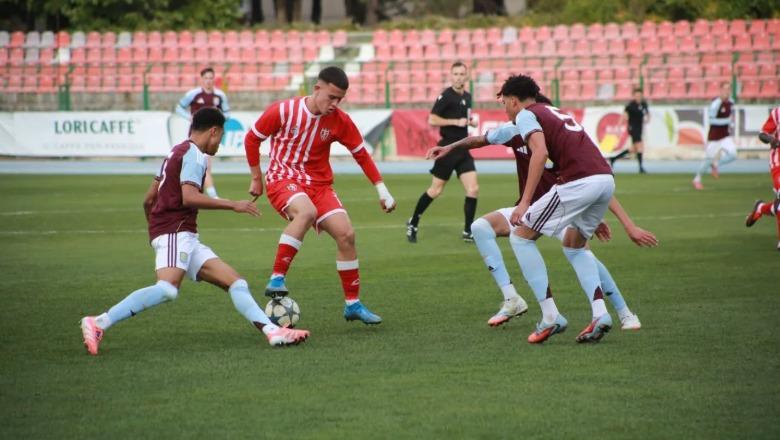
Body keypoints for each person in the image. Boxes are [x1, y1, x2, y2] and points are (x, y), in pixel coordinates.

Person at [79, 108, 309, 355]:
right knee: (167, 289)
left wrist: (155, 233)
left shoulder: (175, 151)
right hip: (176, 232)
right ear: (214, 131)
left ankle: (273, 332)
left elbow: (148, 199)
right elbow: (189, 197)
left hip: (181, 234)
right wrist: (233, 204)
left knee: (236, 283)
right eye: (220, 138)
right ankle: (98, 322)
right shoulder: (196, 154)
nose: (219, 145)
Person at [429, 75, 618, 344]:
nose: (504, 108)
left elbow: (539, 153)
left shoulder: (527, 116)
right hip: (605, 180)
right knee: (576, 247)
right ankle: (602, 314)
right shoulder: (555, 112)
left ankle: (551, 316)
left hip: (576, 184)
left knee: (520, 236)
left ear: (514, 101)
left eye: (505, 102)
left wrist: (525, 202)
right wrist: (450, 147)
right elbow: (482, 139)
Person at [244, 66, 396, 325]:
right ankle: (277, 278)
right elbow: (252, 139)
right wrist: (257, 178)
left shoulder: (340, 121)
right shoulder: (283, 111)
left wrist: (382, 189)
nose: (335, 104)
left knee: (346, 234)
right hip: (284, 178)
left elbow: (361, 154)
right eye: (331, 97)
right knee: (306, 213)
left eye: (340, 99)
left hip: (319, 185)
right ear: (317, 89)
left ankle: (353, 304)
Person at [472, 131, 655, 331]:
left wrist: (605, 218)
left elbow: (594, 182)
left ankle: (624, 313)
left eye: (504, 97)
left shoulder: (561, 141)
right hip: (529, 210)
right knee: (480, 227)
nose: (503, 101)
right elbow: (479, 140)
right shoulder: (514, 129)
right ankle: (512, 299)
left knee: (583, 254)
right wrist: (449, 148)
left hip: (562, 210)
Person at [407, 61, 479, 243]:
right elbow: (432, 118)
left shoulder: (468, 96)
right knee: (435, 190)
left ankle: (468, 231)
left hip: (463, 148)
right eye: (455, 74)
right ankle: (413, 221)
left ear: (467, 76)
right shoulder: (446, 96)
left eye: (462, 74)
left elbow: (465, 117)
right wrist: (456, 122)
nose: (459, 77)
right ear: (451, 76)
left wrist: (470, 122)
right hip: (447, 149)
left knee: (473, 188)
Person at [176, 67, 231, 199]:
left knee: (203, 164)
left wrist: (218, 117)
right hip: (195, 135)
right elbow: (179, 108)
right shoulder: (193, 94)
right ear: (201, 80)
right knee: (199, 164)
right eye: (206, 78)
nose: (208, 81)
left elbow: (227, 114)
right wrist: (189, 117)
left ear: (214, 79)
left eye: (211, 78)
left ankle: (199, 193)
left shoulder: (220, 95)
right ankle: (210, 196)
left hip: (211, 136)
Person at [745, 106, 780, 250]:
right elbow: (762, 133)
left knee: (778, 206)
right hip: (778, 161)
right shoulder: (777, 112)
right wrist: (772, 139)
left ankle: (760, 208)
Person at [693, 83, 736, 190]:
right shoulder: (716, 103)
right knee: (708, 160)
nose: (727, 91)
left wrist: (730, 123)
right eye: (725, 89)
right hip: (714, 137)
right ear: (720, 90)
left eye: (728, 89)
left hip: (725, 136)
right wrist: (727, 121)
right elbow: (712, 120)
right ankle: (697, 179)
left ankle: (716, 164)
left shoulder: (731, 102)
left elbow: (730, 115)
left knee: (733, 154)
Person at [611, 88, 649, 173]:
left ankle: (613, 158)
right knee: (640, 146)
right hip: (632, 128)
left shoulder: (644, 104)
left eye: (639, 95)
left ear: (641, 96)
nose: (638, 97)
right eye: (636, 95)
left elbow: (647, 113)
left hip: (639, 128)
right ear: (634, 96)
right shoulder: (630, 106)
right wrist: (619, 126)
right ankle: (641, 168)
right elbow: (624, 116)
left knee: (633, 149)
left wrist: (648, 119)